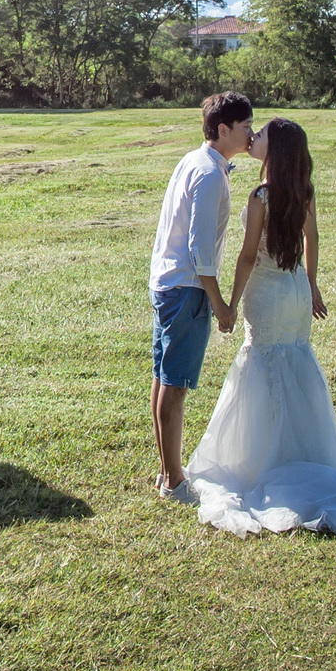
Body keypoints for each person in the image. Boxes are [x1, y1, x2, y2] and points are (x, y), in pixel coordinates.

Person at [181, 116, 336, 537]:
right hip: (295, 291)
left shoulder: (262, 196)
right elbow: (313, 238)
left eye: (262, 136)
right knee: (295, 362)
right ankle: (304, 451)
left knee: (263, 365)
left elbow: (249, 256)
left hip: (269, 294)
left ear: (276, 150)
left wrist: (229, 304)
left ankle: (264, 460)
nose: (254, 138)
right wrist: (312, 285)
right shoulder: (303, 191)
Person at [145, 90, 253, 501]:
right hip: (186, 288)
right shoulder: (208, 173)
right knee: (174, 384)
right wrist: (220, 304)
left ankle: (167, 470)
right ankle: (173, 481)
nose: (250, 134)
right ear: (223, 129)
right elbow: (200, 250)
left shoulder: (197, 161)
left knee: (163, 378)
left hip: (168, 282)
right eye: (244, 127)